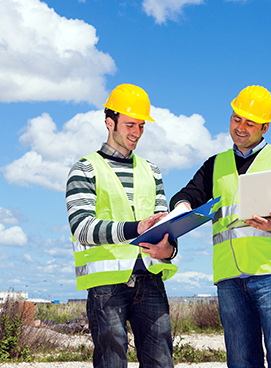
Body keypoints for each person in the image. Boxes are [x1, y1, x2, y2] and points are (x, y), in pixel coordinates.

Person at [170, 85, 271, 368]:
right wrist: (182, 207)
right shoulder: (215, 165)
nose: (240, 127)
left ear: (264, 127)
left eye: (250, 123)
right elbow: (186, 195)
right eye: (236, 119)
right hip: (229, 279)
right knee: (240, 362)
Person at [65, 84, 178, 368]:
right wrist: (135, 228)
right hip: (106, 286)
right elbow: (81, 227)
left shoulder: (152, 171)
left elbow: (164, 223)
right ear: (109, 122)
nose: (136, 133)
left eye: (141, 126)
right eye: (130, 125)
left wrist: (170, 249)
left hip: (150, 278)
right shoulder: (85, 168)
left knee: (161, 363)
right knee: (111, 363)